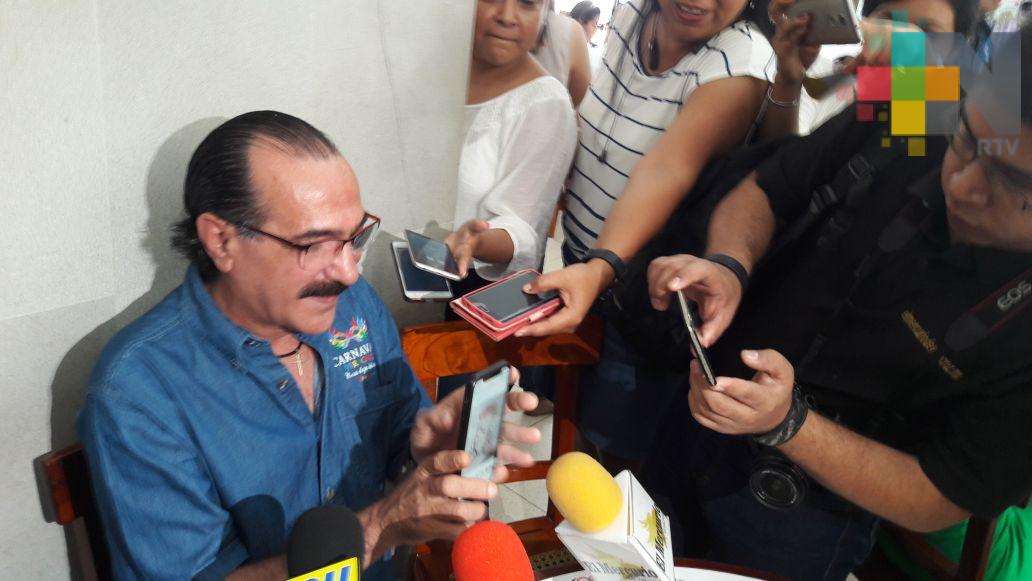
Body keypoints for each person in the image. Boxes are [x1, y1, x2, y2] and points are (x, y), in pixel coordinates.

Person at [639, 22, 1031, 580]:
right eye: (967, 140)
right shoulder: (927, 96)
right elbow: (769, 187)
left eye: (1014, 184)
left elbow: (938, 496)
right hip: (693, 412)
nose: (963, 185)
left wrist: (790, 424)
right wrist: (729, 265)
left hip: (804, 514)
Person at [77, 111, 542, 580]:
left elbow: (403, 431)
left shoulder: (353, 306)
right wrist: (382, 527)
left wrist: (422, 450)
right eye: (313, 245)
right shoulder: (140, 391)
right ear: (221, 240)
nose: (349, 272)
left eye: (354, 238)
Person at [516, 0, 778, 472]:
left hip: (645, 297)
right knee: (572, 419)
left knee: (612, 460)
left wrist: (601, 267)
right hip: (585, 265)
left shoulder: (741, 55)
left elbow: (670, 169)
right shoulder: (634, 12)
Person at [445, 0, 577, 295]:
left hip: (469, 288)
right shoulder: (436, 69)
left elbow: (523, 229)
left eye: (527, 3)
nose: (506, 16)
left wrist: (475, 241)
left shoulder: (546, 105)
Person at [762, 0, 978, 137]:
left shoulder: (957, 126)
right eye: (887, 21)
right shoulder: (823, 79)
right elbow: (778, 164)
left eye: (926, 34)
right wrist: (788, 83)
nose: (899, 37)